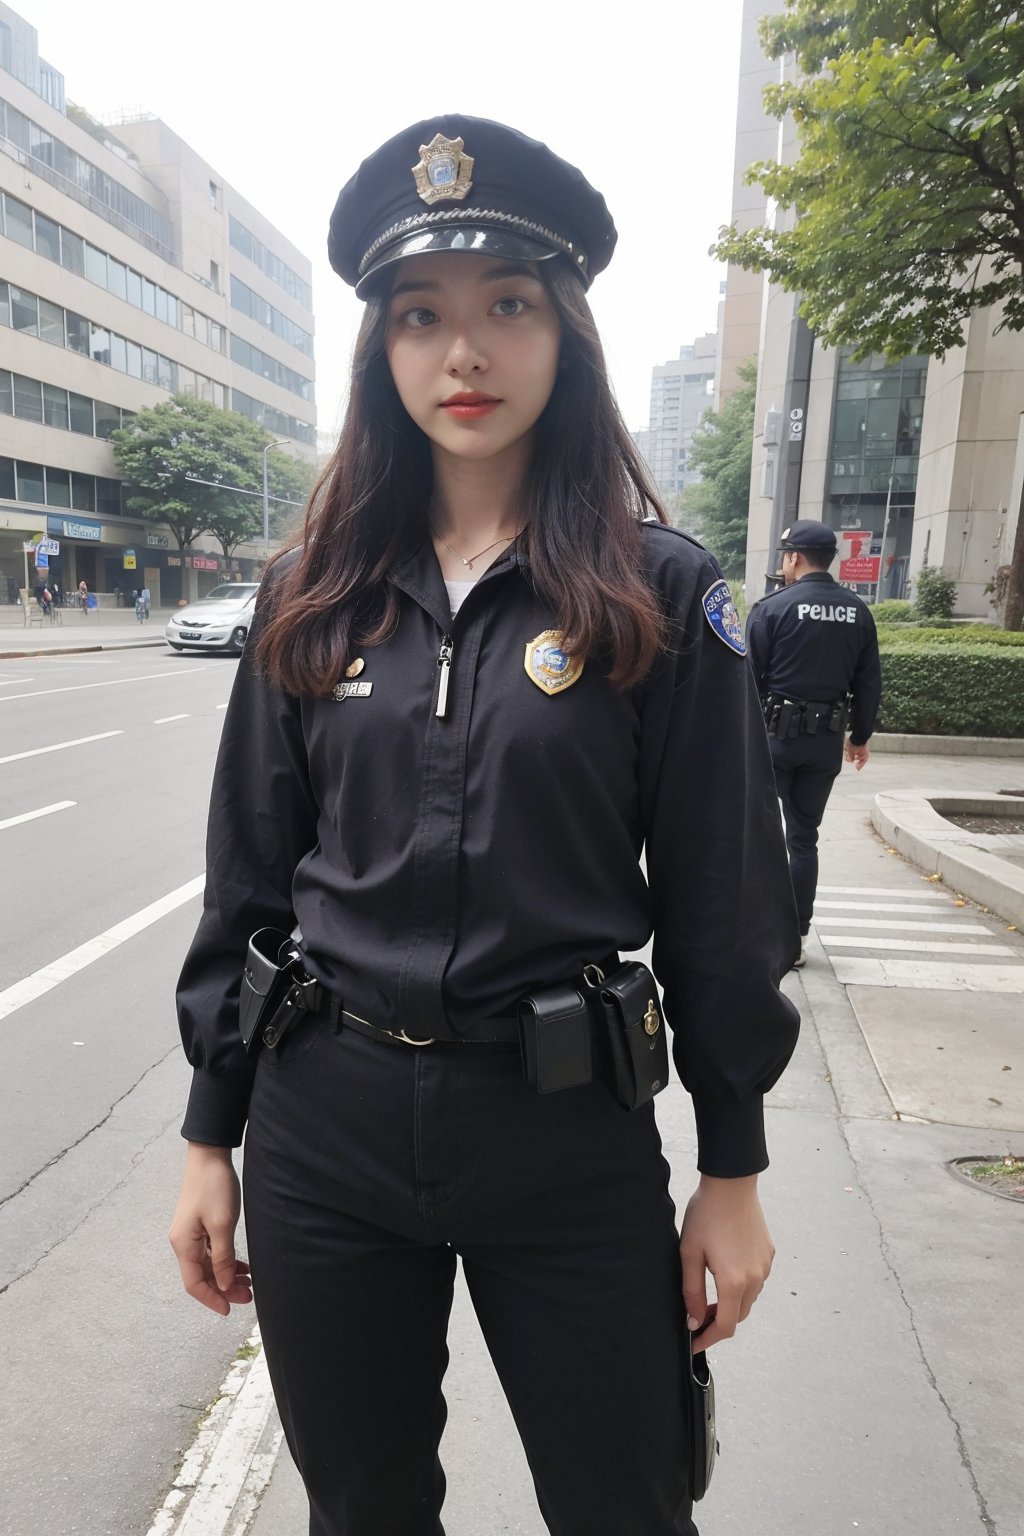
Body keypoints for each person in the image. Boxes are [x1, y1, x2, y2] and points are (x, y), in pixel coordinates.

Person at [170, 115, 800, 1536]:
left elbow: (724, 901)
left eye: (508, 305)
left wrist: (734, 1169)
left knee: (626, 1506)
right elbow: (249, 883)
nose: (465, 352)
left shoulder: (656, 592)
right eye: (423, 315)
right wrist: (213, 1135)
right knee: (365, 1512)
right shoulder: (313, 594)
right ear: (381, 352)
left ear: (564, 330)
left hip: (562, 1134)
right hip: (325, 1131)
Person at [746, 520, 883, 967]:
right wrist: (859, 737)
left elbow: (746, 681)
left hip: (773, 739)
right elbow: (868, 683)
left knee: (759, 837)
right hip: (824, 742)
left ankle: (758, 933)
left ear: (793, 557)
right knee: (803, 840)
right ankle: (796, 938)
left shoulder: (773, 609)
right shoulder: (857, 611)